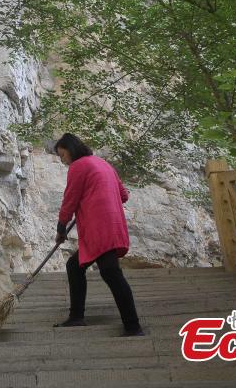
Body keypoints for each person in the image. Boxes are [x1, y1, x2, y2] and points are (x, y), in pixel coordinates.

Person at [52, 133, 144, 336]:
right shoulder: (103, 163)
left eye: (63, 155)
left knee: (111, 272)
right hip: (113, 224)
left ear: (71, 149)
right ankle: (76, 317)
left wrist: (61, 227)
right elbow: (124, 195)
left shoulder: (78, 166)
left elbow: (70, 199)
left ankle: (133, 326)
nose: (63, 160)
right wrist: (95, 193)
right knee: (74, 266)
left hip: (99, 227)